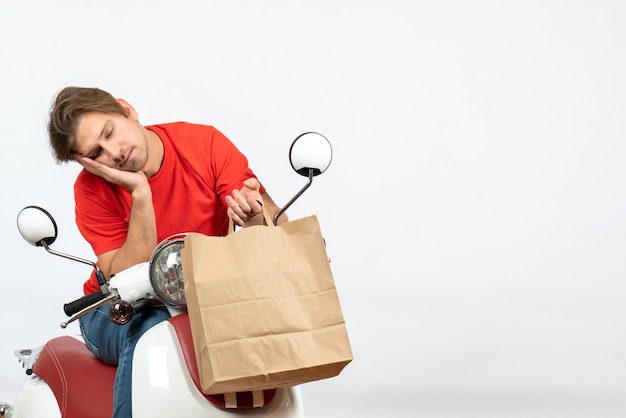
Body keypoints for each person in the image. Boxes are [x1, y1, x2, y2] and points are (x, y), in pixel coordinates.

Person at [47, 86, 286, 418]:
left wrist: (254, 213)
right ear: (84, 162)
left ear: (125, 108)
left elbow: (276, 223)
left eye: (110, 133)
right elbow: (125, 278)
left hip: (205, 302)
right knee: (154, 328)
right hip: (114, 308)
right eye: (96, 153)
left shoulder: (203, 144)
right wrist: (140, 193)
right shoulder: (90, 190)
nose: (113, 153)